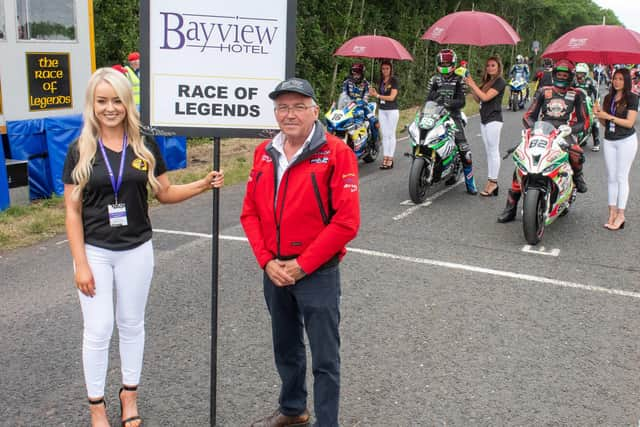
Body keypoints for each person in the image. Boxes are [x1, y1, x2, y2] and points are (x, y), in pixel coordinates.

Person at [62, 68, 224, 427]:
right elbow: (71, 212)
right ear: (92, 104)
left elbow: (164, 193)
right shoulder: (80, 150)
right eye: (102, 101)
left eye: (116, 100)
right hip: (95, 252)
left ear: (127, 102)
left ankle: (129, 395)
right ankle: (97, 407)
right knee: (99, 328)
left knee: (132, 324)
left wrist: (202, 184)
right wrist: (81, 263)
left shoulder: (145, 145)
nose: (109, 108)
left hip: (137, 249)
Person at [241, 77, 360, 427]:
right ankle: (293, 409)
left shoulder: (337, 153)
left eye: (297, 106)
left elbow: (346, 222)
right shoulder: (264, 153)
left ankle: (327, 422)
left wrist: (302, 265)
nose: (289, 114)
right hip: (275, 270)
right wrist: (266, 261)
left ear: (314, 110)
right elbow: (249, 213)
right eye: (282, 107)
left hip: (317, 272)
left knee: (325, 358)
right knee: (286, 347)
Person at [498, 59, 588, 223]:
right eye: (559, 74)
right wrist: (532, 129)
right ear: (554, 74)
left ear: (570, 76)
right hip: (541, 130)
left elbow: (584, 122)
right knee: (523, 161)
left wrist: (571, 129)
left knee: (576, 153)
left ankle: (577, 177)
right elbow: (529, 116)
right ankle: (510, 208)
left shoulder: (577, 94)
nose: (561, 77)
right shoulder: (543, 91)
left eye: (565, 74)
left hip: (563, 132)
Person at [425, 48, 477, 194]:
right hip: (435, 114)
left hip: (453, 116)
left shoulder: (459, 79)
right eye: (442, 62)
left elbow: (462, 102)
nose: (445, 64)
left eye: (447, 62)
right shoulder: (434, 80)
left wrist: (448, 103)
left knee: (464, 150)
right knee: (424, 138)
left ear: (453, 63)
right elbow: (428, 98)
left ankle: (470, 182)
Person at [594, 67, 639, 230]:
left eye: (620, 79)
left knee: (621, 176)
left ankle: (621, 214)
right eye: (615, 79)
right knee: (611, 177)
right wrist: (599, 115)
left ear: (626, 81)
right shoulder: (608, 98)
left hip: (626, 140)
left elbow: (629, 123)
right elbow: (606, 124)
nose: (617, 82)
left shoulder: (633, 98)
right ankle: (611, 212)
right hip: (610, 140)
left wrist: (609, 116)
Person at [465, 56, 506, 197]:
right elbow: (478, 99)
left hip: (494, 119)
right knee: (488, 152)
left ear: (498, 67)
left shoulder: (500, 82)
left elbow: (486, 97)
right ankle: (491, 181)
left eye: (493, 65)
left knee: (493, 151)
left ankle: (493, 182)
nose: (489, 68)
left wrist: (473, 84)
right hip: (484, 120)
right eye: (488, 65)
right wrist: (470, 85)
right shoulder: (488, 81)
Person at [369, 59, 399, 170]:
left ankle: (390, 159)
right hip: (382, 110)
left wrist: (377, 95)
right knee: (385, 135)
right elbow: (378, 95)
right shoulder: (381, 80)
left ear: (390, 69)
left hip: (392, 110)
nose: (385, 70)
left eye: (387, 68)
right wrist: (372, 93)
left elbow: (392, 97)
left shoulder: (394, 80)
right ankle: (385, 157)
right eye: (383, 68)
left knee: (391, 135)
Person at [341, 62, 378, 137]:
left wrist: (362, 102)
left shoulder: (366, 84)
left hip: (362, 107)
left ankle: (375, 143)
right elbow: (343, 94)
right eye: (354, 73)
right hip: (348, 107)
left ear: (362, 74)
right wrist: (342, 102)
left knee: (374, 121)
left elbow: (366, 97)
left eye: (357, 74)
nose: (355, 76)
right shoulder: (347, 82)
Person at [573, 63, 602, 151]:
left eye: (581, 73)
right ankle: (580, 139)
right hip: (576, 103)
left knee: (594, 122)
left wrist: (596, 105)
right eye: (578, 73)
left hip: (588, 104)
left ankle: (596, 142)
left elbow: (598, 95)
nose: (579, 75)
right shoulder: (574, 81)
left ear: (586, 73)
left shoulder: (591, 81)